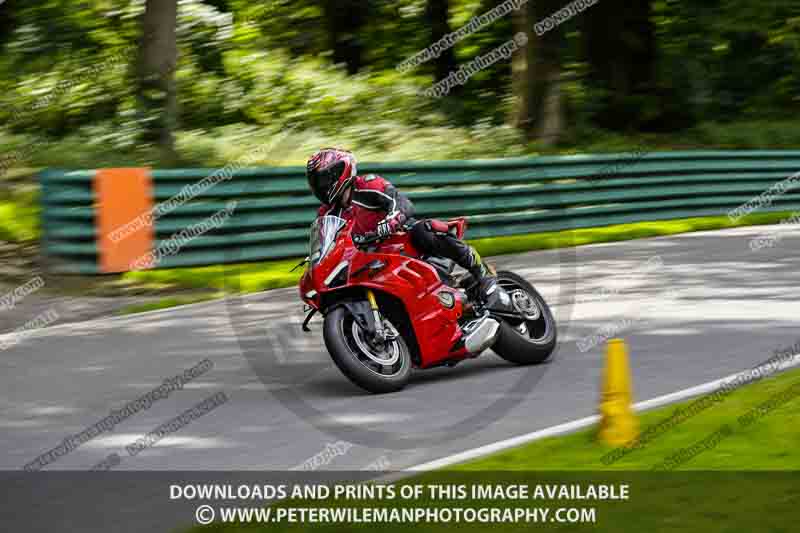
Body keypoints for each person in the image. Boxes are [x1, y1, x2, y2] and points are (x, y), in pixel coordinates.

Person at [306, 147, 496, 301]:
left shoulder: (367, 185)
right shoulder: (326, 213)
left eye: (323, 179)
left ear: (340, 171)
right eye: (315, 181)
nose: (320, 186)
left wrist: (391, 221)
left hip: (402, 241)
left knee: (423, 230)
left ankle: (481, 270)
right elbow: (327, 243)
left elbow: (402, 203)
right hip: (371, 259)